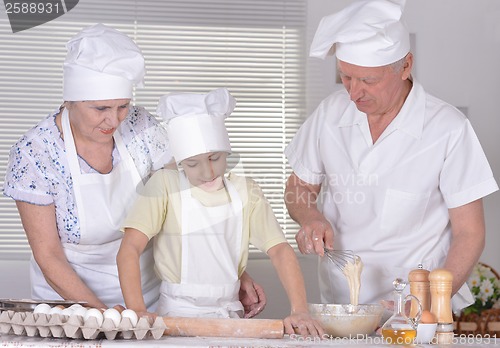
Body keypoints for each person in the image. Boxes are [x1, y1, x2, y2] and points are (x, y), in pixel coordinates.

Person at [2, 23, 265, 316]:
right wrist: (104, 315)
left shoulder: (141, 127)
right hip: (69, 306)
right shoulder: (36, 154)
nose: (113, 121)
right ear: (70, 100)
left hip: (149, 299)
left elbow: (187, 207)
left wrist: (230, 273)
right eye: (100, 109)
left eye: (122, 106)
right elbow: (48, 255)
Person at [284, 0, 498, 310]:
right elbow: (298, 188)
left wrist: (429, 302)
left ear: (406, 66)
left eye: (369, 81)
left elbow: (470, 233)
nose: (354, 93)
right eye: (346, 77)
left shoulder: (448, 128)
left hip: (417, 308)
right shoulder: (329, 115)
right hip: (341, 306)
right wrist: (310, 216)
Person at [117, 88, 324, 337]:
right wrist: (138, 310)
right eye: (193, 164)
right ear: (181, 162)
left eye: (215, 158)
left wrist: (300, 309)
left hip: (230, 317)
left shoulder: (246, 192)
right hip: (175, 318)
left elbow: (280, 250)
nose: (207, 172)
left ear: (227, 152)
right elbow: (129, 249)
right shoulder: (164, 185)